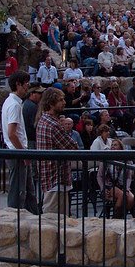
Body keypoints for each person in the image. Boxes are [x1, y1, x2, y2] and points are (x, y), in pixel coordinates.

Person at [35, 88, 76, 216]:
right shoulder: (53, 125)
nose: (64, 102)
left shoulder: (43, 119)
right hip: (55, 177)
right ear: (51, 103)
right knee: (53, 218)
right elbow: (72, 146)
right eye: (60, 100)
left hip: (49, 176)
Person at [3, 71, 38, 213]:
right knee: (18, 191)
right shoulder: (14, 105)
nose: (27, 87)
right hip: (17, 153)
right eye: (26, 84)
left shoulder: (11, 102)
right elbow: (12, 133)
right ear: (18, 84)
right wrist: (23, 153)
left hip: (18, 151)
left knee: (28, 190)